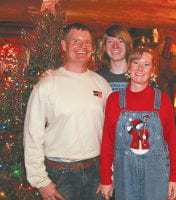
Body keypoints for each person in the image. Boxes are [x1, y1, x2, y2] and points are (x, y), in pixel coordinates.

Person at [23, 22, 112, 200]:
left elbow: (111, 130)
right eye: (76, 41)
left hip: (97, 171)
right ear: (64, 45)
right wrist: (41, 181)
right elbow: (33, 134)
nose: (82, 47)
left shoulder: (101, 83)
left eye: (87, 42)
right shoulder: (47, 85)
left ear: (92, 48)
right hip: (60, 174)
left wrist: (110, 172)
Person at [97, 47, 176, 200]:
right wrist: (106, 179)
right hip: (125, 174)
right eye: (136, 62)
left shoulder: (163, 100)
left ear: (153, 71)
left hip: (157, 175)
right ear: (129, 67)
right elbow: (107, 143)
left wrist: (173, 177)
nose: (140, 68)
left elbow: (172, 142)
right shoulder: (114, 100)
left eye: (146, 64)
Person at [97, 25, 133, 91]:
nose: (115, 46)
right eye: (110, 41)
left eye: (120, 41)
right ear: (105, 47)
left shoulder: (138, 75)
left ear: (127, 45)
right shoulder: (97, 78)